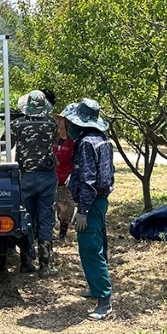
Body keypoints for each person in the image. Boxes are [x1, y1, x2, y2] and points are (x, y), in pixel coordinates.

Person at [62, 98, 115, 320]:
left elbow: (88, 180)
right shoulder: (102, 139)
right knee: (99, 245)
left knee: (90, 249)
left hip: (91, 203)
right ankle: (96, 289)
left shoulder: (85, 144)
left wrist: (82, 210)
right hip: (100, 201)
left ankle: (104, 300)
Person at [10, 90, 59, 276]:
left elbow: (4, 144)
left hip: (25, 177)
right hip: (47, 177)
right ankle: (45, 266)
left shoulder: (17, 125)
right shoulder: (51, 124)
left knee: (25, 219)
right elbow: (52, 143)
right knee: (46, 220)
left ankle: (26, 262)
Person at [53, 114, 76, 242]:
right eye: (57, 119)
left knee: (68, 208)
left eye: (61, 119)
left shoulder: (73, 141)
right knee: (53, 209)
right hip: (52, 180)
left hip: (66, 180)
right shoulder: (52, 138)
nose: (58, 122)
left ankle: (63, 233)